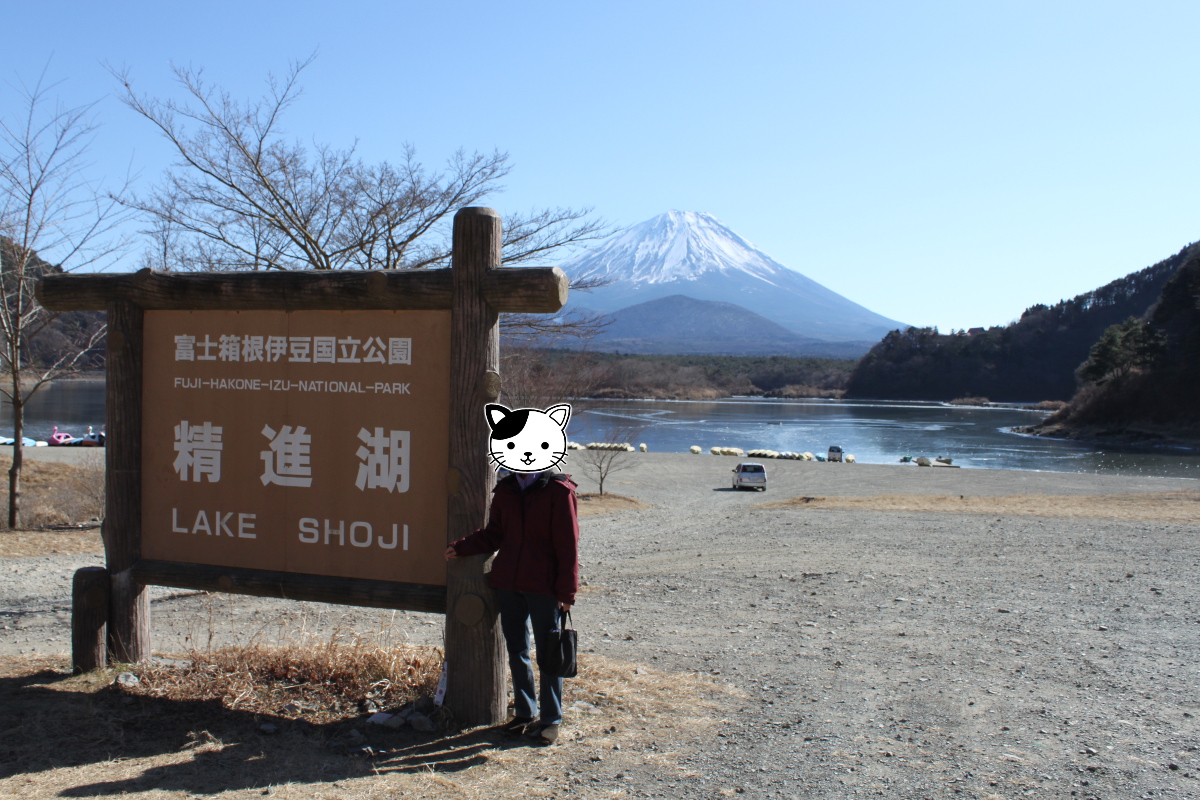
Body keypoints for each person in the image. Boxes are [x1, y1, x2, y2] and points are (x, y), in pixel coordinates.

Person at [444, 467, 579, 745]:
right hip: (508, 583)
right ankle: (524, 712)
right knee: (517, 650)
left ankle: (551, 719)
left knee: (548, 653)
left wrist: (567, 592)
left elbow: (568, 544)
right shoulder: (506, 489)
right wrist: (462, 547)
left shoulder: (558, 491)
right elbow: (494, 533)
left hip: (544, 586)